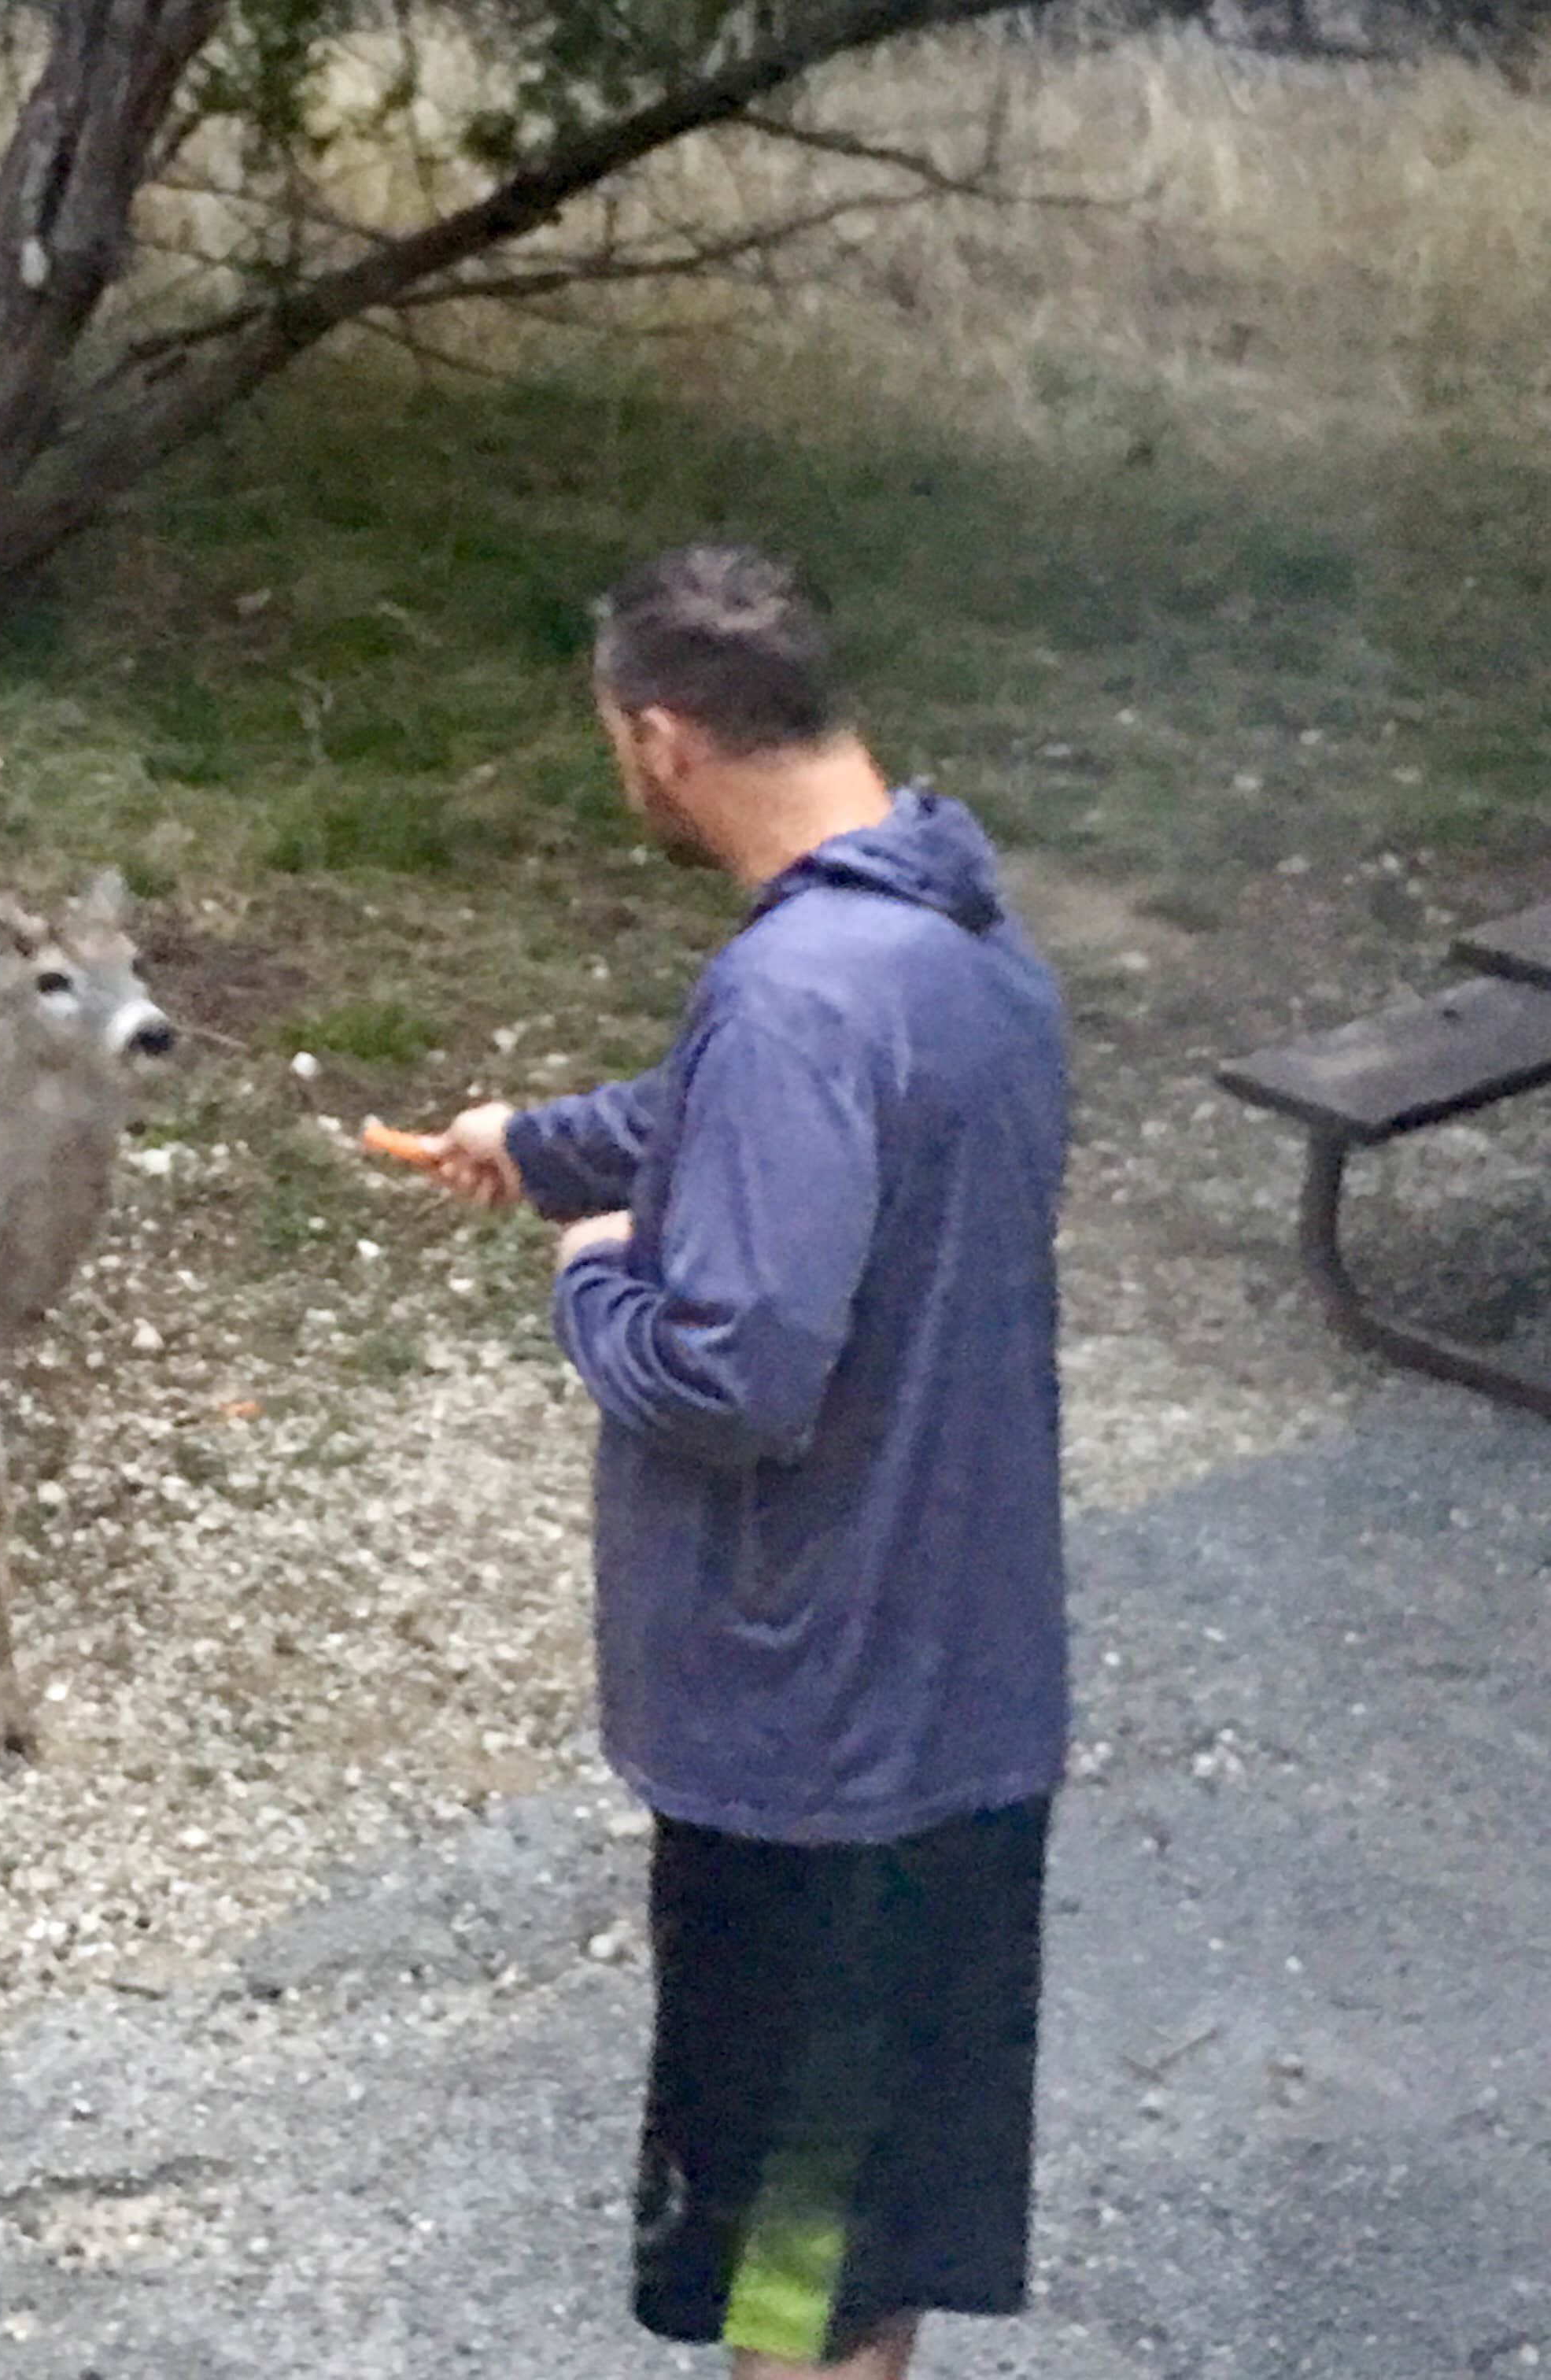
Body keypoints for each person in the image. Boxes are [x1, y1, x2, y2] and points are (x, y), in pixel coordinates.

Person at [431, 544, 1073, 2378]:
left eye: (615, 746)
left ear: (662, 738)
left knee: (792, 2263)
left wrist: (589, 1284)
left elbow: (732, 1378)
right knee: (862, 2234)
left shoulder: (794, 997)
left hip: (817, 1753)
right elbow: (762, 1126)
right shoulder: (955, 924)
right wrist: (551, 1143)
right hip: (959, 1711)